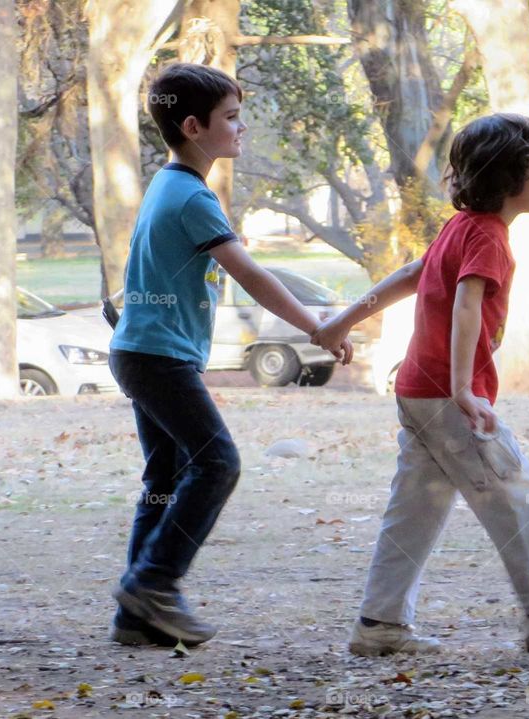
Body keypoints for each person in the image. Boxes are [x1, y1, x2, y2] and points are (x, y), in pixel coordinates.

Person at [313, 114, 529, 655]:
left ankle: (379, 626)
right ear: (509, 175)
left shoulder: (463, 229)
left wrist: (343, 321)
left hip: (418, 391)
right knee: (518, 493)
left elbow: (414, 273)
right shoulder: (488, 237)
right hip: (445, 396)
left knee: (415, 510)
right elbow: (466, 304)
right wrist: (463, 388)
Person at [107, 63, 352, 647]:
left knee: (164, 480)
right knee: (219, 463)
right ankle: (155, 584)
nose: (242, 128)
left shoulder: (168, 185)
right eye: (232, 118)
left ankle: (137, 616)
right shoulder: (192, 197)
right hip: (156, 358)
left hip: (144, 353)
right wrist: (317, 326)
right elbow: (251, 275)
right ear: (194, 127)